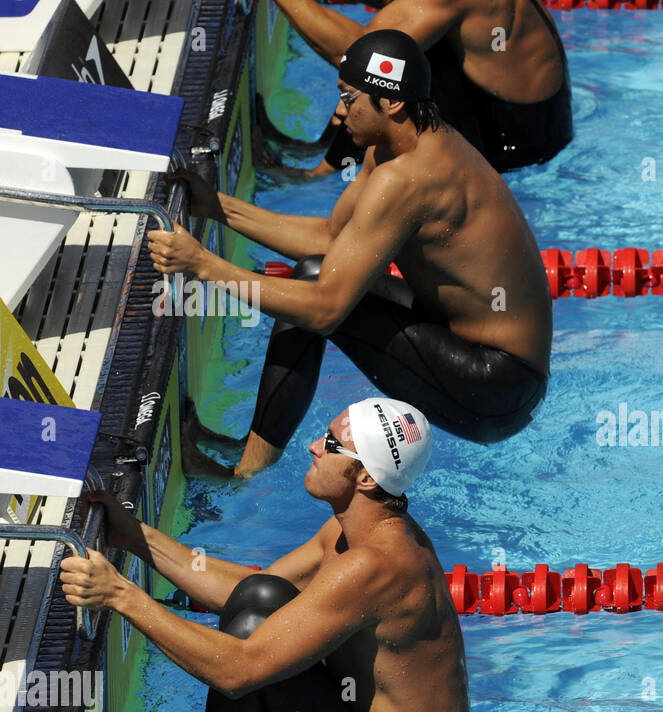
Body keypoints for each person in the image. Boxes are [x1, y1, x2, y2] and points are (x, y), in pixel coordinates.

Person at [149, 30, 553, 479]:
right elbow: (330, 238)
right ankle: (251, 456)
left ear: (392, 102)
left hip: (496, 383)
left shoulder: (413, 177)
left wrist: (203, 264)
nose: (340, 110)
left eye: (349, 96)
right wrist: (219, 207)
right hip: (467, 349)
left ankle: (244, 476)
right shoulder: (398, 147)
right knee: (312, 271)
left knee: (312, 289)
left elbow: (325, 311)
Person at [59, 398, 470, 712]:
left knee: (253, 631)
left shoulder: (376, 566)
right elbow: (250, 588)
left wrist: (119, 594)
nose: (312, 445)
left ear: (364, 477)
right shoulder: (356, 534)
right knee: (261, 598)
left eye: (330, 443)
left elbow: (237, 670)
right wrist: (132, 534)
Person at [275, 0, 572, 175]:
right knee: (410, 42)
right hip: (543, 125)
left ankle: (317, 175)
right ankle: (324, 152)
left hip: (509, 149)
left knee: (394, 63)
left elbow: (364, 57)